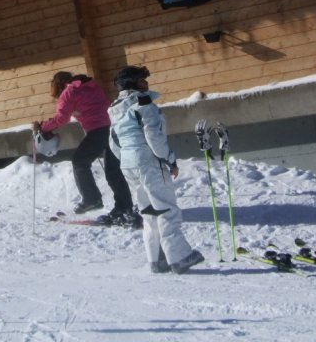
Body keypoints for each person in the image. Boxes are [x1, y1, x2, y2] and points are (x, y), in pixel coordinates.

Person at [108, 65, 204, 274]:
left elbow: (114, 142)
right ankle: (180, 258)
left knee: (149, 212)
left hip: (129, 164)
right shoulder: (144, 105)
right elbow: (154, 138)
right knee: (166, 209)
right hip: (149, 162)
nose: (146, 83)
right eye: (142, 80)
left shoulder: (116, 109)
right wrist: (170, 160)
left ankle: (156, 260)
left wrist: (128, 160)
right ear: (132, 83)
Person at [33, 71, 140, 226]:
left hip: (98, 131)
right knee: (113, 171)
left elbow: (61, 118)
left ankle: (91, 199)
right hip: (114, 128)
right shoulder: (91, 86)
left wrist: (42, 126)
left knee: (79, 162)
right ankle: (124, 207)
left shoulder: (69, 92)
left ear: (57, 85)